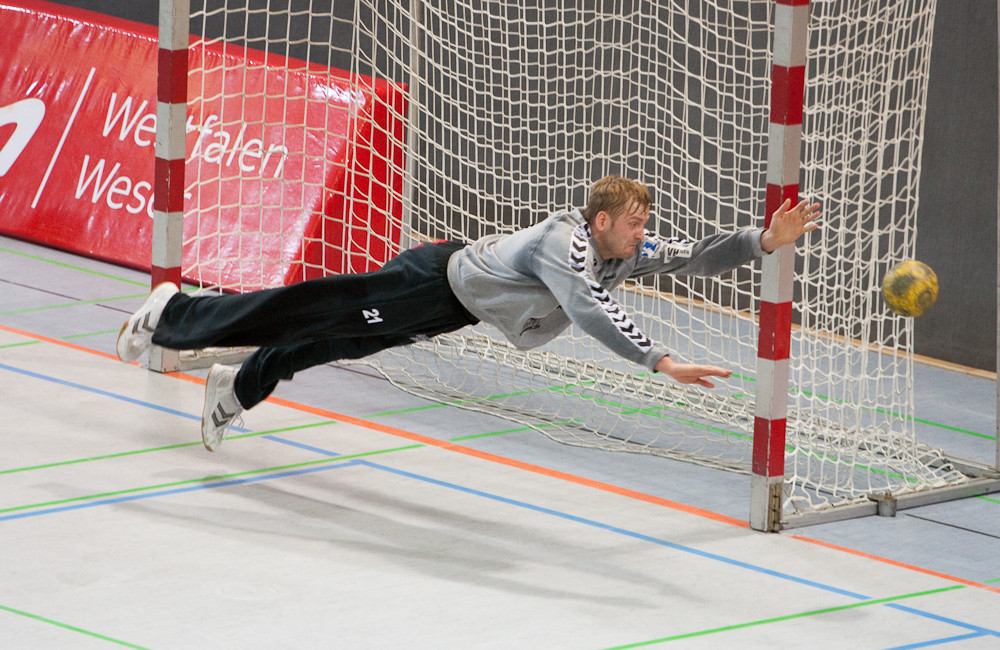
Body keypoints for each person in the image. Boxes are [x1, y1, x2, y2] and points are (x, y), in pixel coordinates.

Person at [116, 175, 820, 452]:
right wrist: (660, 361)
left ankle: (234, 389)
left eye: (645, 226)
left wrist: (762, 242)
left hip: (455, 306)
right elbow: (589, 308)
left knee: (333, 341)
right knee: (308, 312)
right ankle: (173, 313)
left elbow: (693, 255)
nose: (644, 235)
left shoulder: (622, 252)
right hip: (436, 282)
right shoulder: (565, 244)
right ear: (601, 219)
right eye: (634, 224)